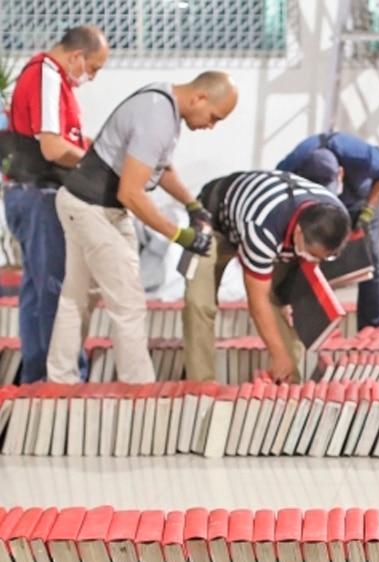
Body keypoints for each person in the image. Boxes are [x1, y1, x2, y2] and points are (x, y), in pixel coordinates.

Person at [46, 71, 238, 384]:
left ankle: (60, 380)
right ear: (199, 98)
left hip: (87, 204)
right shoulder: (157, 117)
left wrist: (193, 206)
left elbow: (158, 167)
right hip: (93, 209)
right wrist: (180, 236)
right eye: (214, 117)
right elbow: (131, 193)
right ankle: (139, 389)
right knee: (129, 303)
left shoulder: (163, 102)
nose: (211, 125)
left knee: (78, 297)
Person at [3, 25, 108, 383]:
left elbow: (66, 139)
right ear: (77, 56)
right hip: (40, 197)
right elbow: (53, 148)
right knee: (55, 292)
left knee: (36, 292)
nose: (91, 77)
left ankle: (37, 381)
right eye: (93, 68)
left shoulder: (51, 79)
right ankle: (62, 382)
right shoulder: (47, 74)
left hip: (28, 194)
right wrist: (97, 169)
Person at [183, 170, 351, 383]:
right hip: (213, 221)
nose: (316, 261)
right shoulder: (264, 227)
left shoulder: (337, 220)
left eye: (325, 257)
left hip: (273, 231)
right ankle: (201, 386)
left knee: (280, 302)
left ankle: (293, 382)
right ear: (299, 232)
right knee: (198, 302)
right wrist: (278, 355)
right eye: (313, 255)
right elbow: (256, 299)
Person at [276, 132, 379, 330]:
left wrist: (368, 210)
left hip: (359, 200)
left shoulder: (363, 157)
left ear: (340, 173)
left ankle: (374, 324)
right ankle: (314, 324)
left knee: (371, 258)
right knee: (308, 254)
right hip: (313, 205)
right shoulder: (290, 167)